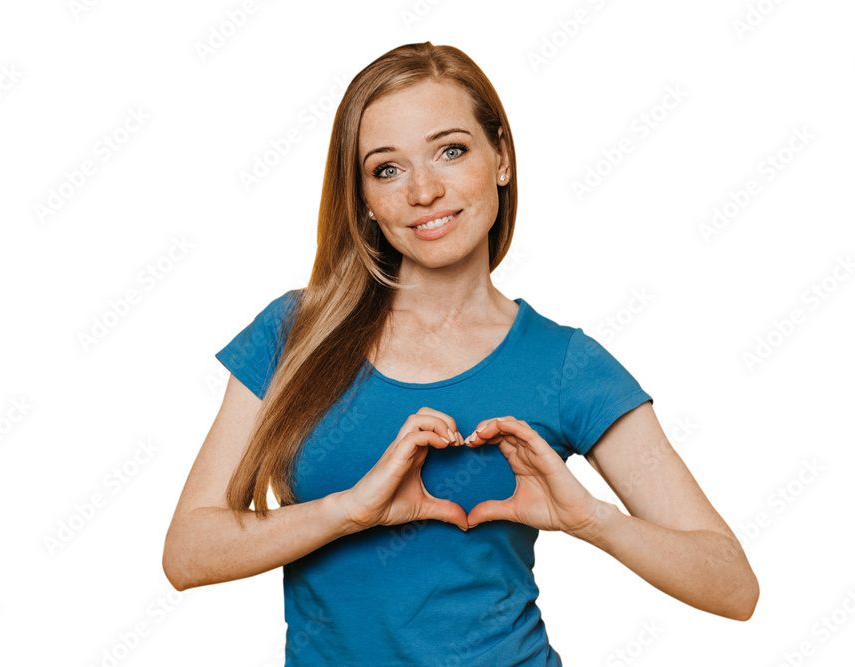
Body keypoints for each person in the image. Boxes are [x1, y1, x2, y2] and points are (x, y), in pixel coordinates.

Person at [162, 41, 759, 666]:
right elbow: (189, 552)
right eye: (386, 168)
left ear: (500, 158)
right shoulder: (296, 331)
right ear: (363, 197)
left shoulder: (566, 365)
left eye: (451, 151)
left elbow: (733, 586)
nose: (423, 190)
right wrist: (349, 512)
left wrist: (591, 520)